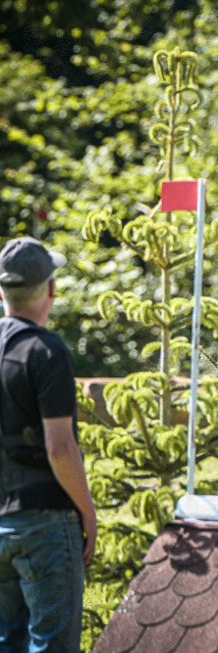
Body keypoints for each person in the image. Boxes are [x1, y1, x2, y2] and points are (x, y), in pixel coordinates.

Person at [0, 237, 96, 652]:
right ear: (51, 289)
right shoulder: (47, 350)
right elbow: (59, 449)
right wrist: (87, 512)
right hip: (46, 524)